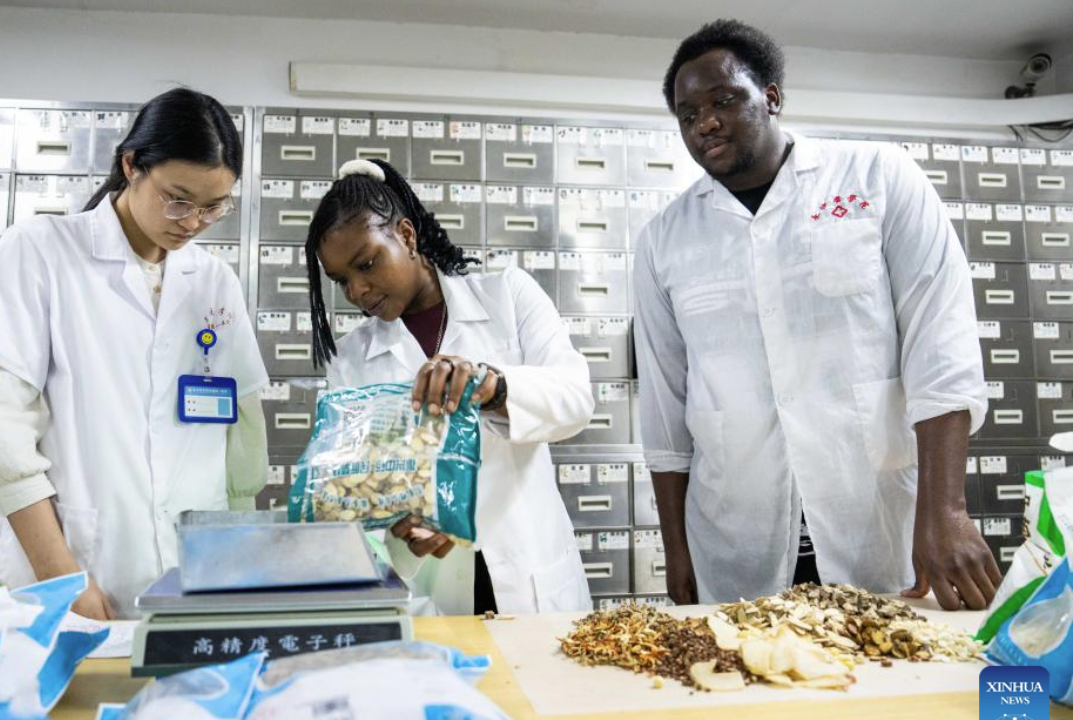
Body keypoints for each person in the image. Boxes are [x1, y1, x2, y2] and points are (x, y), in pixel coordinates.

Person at [633, 19, 1000, 611]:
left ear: (772, 96)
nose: (705, 122)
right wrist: (678, 549)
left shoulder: (878, 177)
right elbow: (665, 410)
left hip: (876, 520)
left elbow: (942, 348)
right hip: (734, 535)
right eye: (687, 114)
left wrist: (947, 510)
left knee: (896, 691)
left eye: (724, 99)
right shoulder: (663, 240)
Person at [0, 88, 268, 619]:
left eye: (213, 206)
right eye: (178, 198)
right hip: (70, 576)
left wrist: (233, 566)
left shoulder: (213, 281)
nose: (192, 221)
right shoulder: (41, 251)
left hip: (192, 579)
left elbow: (242, 447)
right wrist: (62, 580)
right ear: (131, 166)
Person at [305, 158, 593, 614]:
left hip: (529, 572)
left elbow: (576, 399)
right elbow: (353, 489)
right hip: (432, 580)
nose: (358, 290)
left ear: (406, 235)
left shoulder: (508, 295)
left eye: (367, 264)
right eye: (342, 280)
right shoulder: (350, 359)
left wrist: (494, 387)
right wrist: (399, 530)